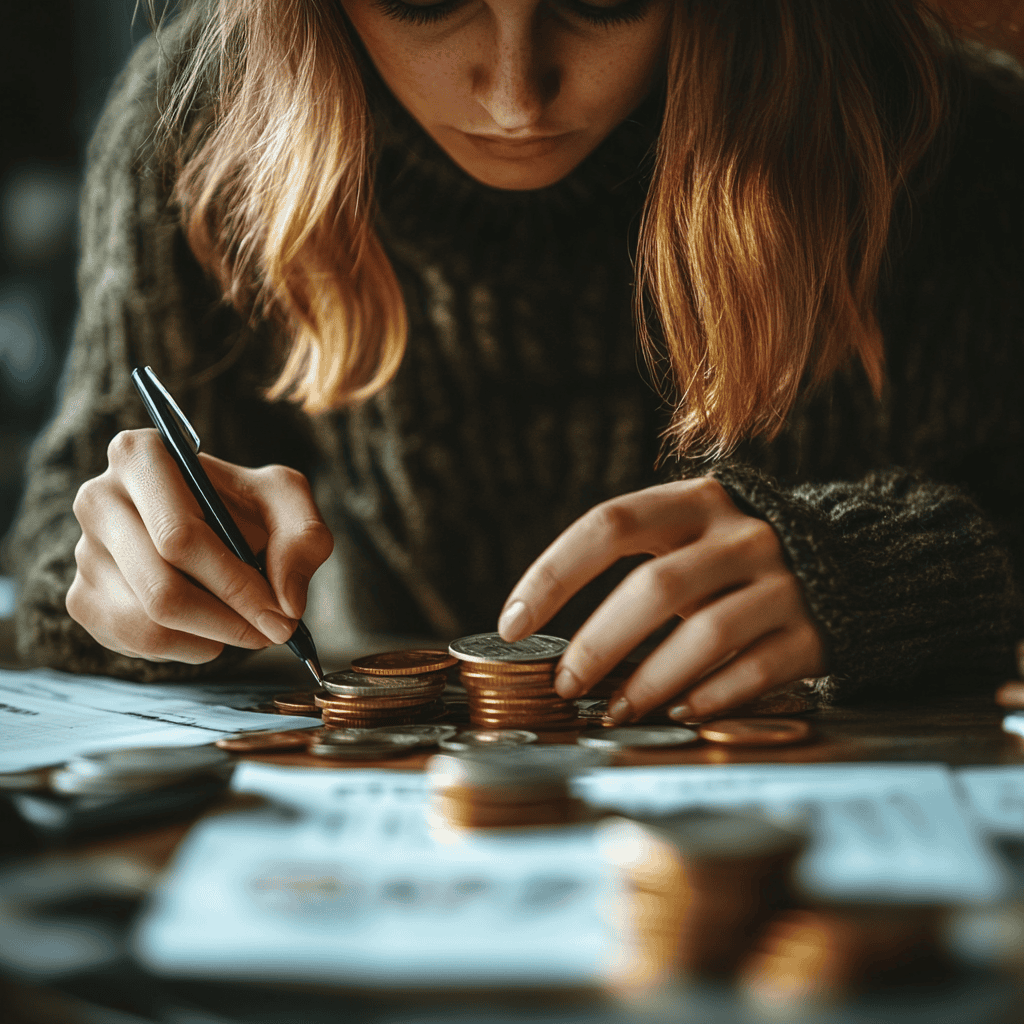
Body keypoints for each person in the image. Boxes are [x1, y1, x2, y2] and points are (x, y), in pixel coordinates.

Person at [8, 0, 1024, 726]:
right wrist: (120, 574)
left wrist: (891, 575)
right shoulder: (204, 125)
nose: (514, 93)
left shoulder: (949, 135)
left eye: (604, 0)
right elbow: (69, 525)